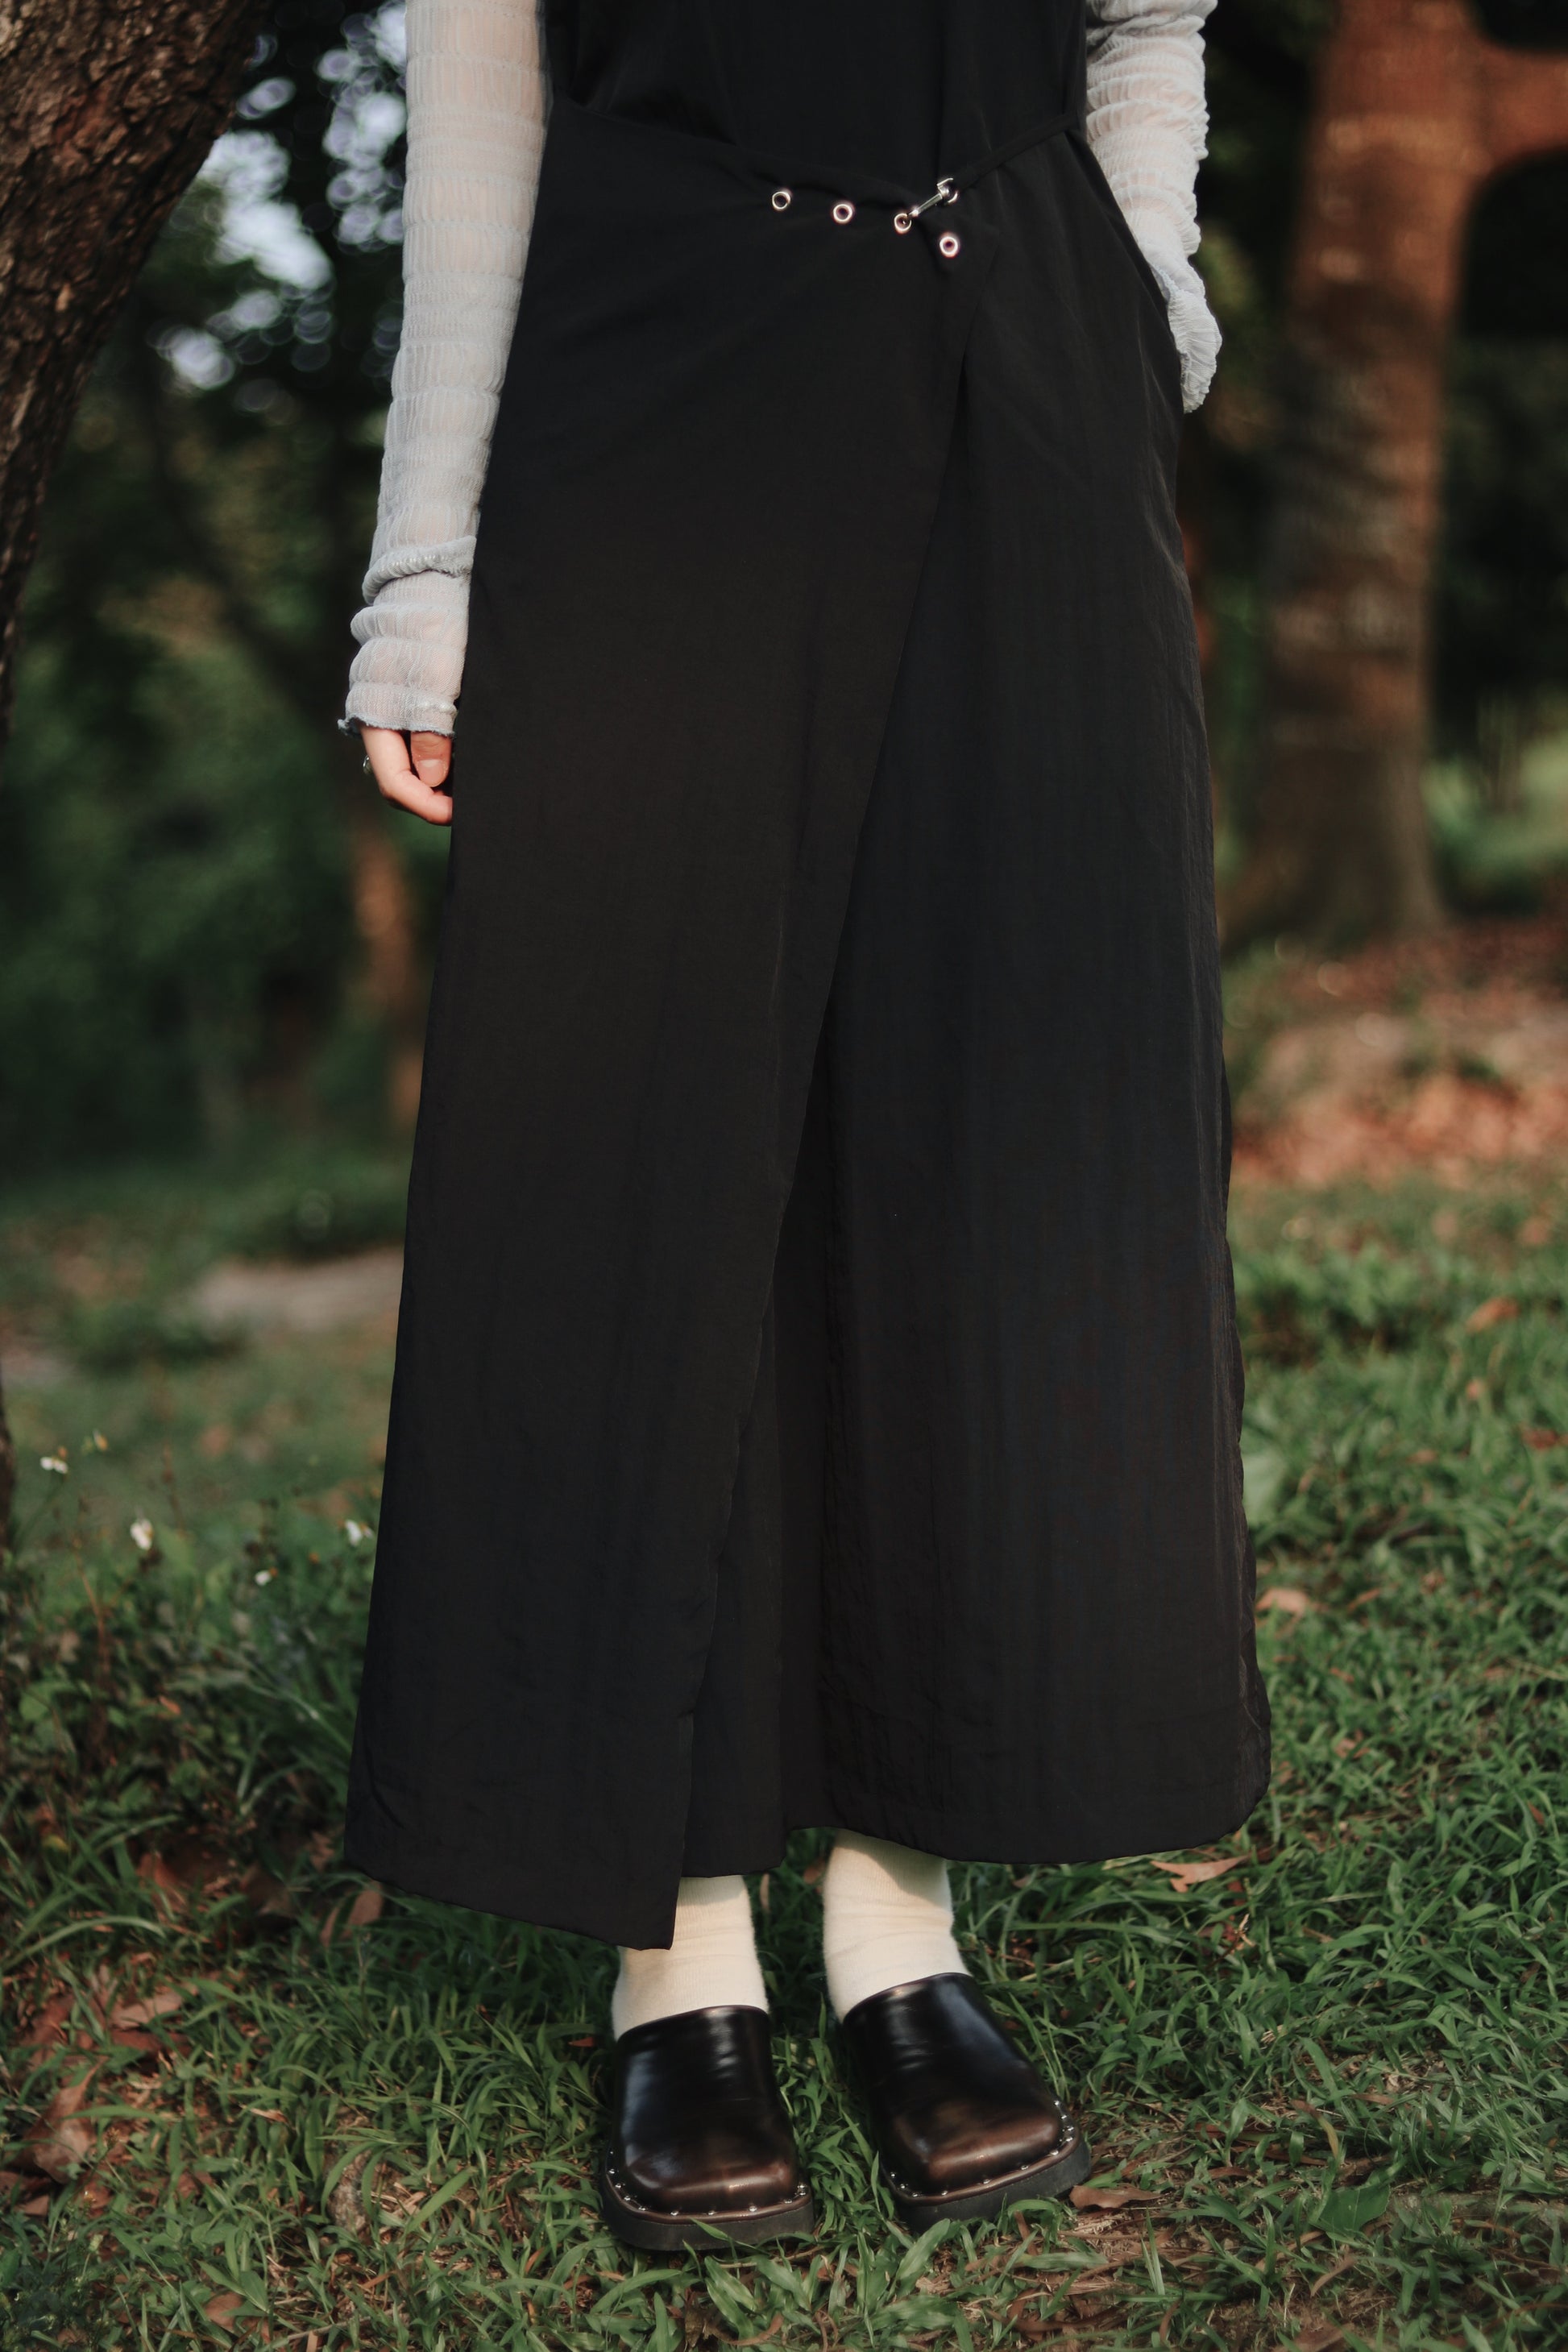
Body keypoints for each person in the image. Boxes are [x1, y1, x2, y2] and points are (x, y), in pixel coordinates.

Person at [345, 0, 1268, 2250]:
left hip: (1026, 396)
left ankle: (897, 1922)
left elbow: (1144, 22)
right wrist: (427, 570)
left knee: (986, 1128)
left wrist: (1140, 292)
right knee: (636, 1145)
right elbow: (480, 103)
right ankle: (677, 1950)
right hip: (651, 396)